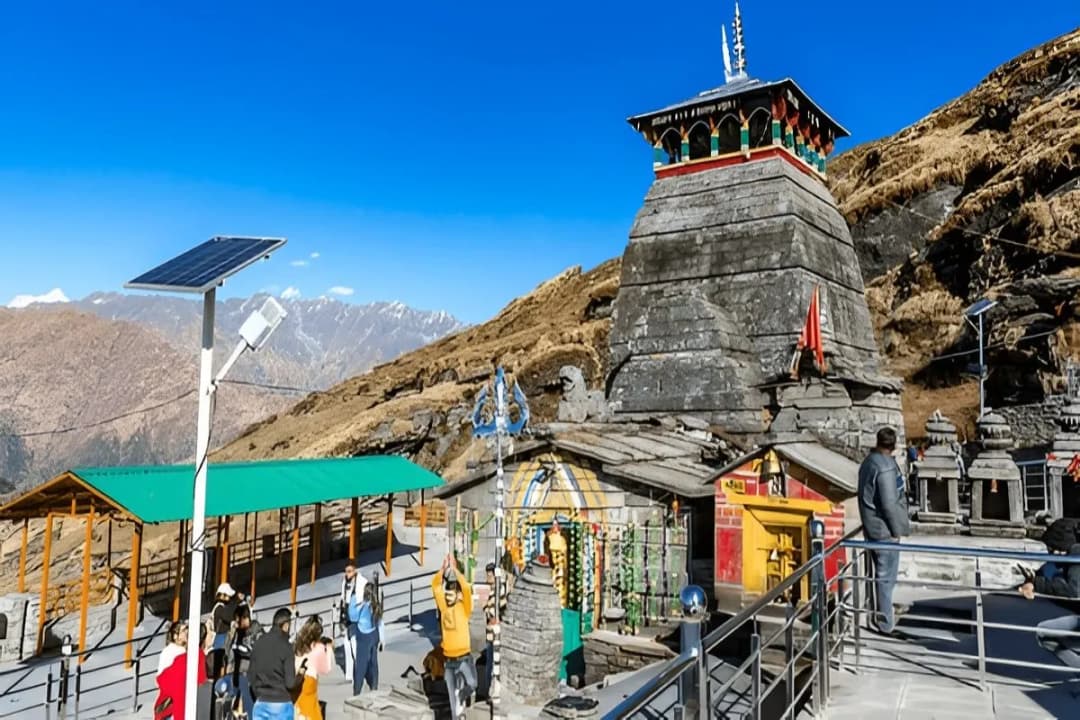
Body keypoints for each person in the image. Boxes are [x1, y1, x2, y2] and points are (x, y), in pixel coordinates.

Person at [857, 427, 910, 634]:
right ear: (894, 445)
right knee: (886, 577)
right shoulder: (885, 467)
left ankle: (879, 613)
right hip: (884, 530)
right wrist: (897, 530)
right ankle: (885, 623)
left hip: (871, 526)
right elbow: (889, 503)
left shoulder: (868, 462)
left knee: (877, 575)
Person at [432, 554, 476, 720]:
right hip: (449, 660)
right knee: (453, 705)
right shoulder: (444, 608)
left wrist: (456, 571)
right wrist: (442, 570)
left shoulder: (464, 607)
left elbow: (466, 588)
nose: (449, 596)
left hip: (464, 657)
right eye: (447, 593)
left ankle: (462, 697)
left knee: (472, 684)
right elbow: (435, 587)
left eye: (452, 593)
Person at [248, 608, 299, 720]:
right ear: (286, 626)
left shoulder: (258, 643)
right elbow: (290, 683)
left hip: (261, 702)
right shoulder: (286, 647)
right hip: (281, 703)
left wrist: (259, 695)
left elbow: (251, 676)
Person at [155, 623, 209, 720]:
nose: (186, 632)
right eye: (184, 630)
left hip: (178, 705)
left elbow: (162, 679)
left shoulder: (183, 656)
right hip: (177, 703)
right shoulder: (172, 653)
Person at [1018, 518, 1080, 599]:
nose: (1054, 553)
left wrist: (1036, 584)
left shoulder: (1076, 553)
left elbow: (1074, 591)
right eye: (1051, 550)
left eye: (1056, 549)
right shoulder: (1061, 560)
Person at [348, 579, 385, 694]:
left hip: (363, 636)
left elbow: (353, 618)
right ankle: (374, 685)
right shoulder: (376, 606)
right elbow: (381, 623)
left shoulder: (363, 606)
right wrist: (382, 639)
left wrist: (353, 600)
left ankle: (357, 690)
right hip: (375, 635)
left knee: (361, 664)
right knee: (373, 662)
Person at [293, 617, 333, 720]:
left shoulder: (296, 645)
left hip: (296, 686)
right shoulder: (318, 648)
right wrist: (328, 648)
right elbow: (326, 669)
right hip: (309, 687)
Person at [480, 561, 508, 699]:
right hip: (490, 633)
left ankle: (491, 691)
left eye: (490, 575)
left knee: (493, 663)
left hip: (496, 632)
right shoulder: (490, 589)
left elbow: (500, 608)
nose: (488, 577)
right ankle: (488, 691)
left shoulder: (498, 590)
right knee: (490, 662)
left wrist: (491, 613)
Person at [339, 564, 367, 681]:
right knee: (347, 645)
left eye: (350, 571)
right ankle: (349, 674)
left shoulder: (362, 582)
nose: (347, 574)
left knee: (355, 646)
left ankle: (360, 672)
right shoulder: (345, 583)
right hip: (347, 618)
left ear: (355, 570)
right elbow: (342, 599)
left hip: (357, 618)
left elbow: (364, 601)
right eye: (346, 571)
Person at [211, 583, 243, 679]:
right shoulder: (219, 608)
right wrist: (237, 601)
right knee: (222, 663)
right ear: (222, 595)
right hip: (221, 639)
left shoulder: (221, 607)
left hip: (223, 638)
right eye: (228, 596)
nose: (229, 598)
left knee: (224, 662)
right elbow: (228, 616)